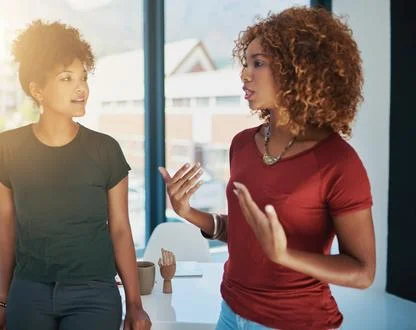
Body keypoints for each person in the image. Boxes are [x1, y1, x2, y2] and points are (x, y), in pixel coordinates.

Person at [159, 7, 375, 330]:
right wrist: (186, 211)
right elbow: (244, 232)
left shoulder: (339, 163)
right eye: (245, 63)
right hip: (230, 313)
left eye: (257, 63)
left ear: (297, 70)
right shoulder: (242, 145)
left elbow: (362, 271)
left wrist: (286, 256)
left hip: (295, 322)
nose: (245, 74)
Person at [0, 20, 151, 330]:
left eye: (83, 77)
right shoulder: (7, 148)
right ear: (38, 90)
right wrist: (3, 301)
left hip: (94, 293)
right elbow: (8, 225)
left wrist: (135, 304)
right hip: (29, 291)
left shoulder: (106, 150)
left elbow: (120, 231)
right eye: (66, 78)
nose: (81, 88)